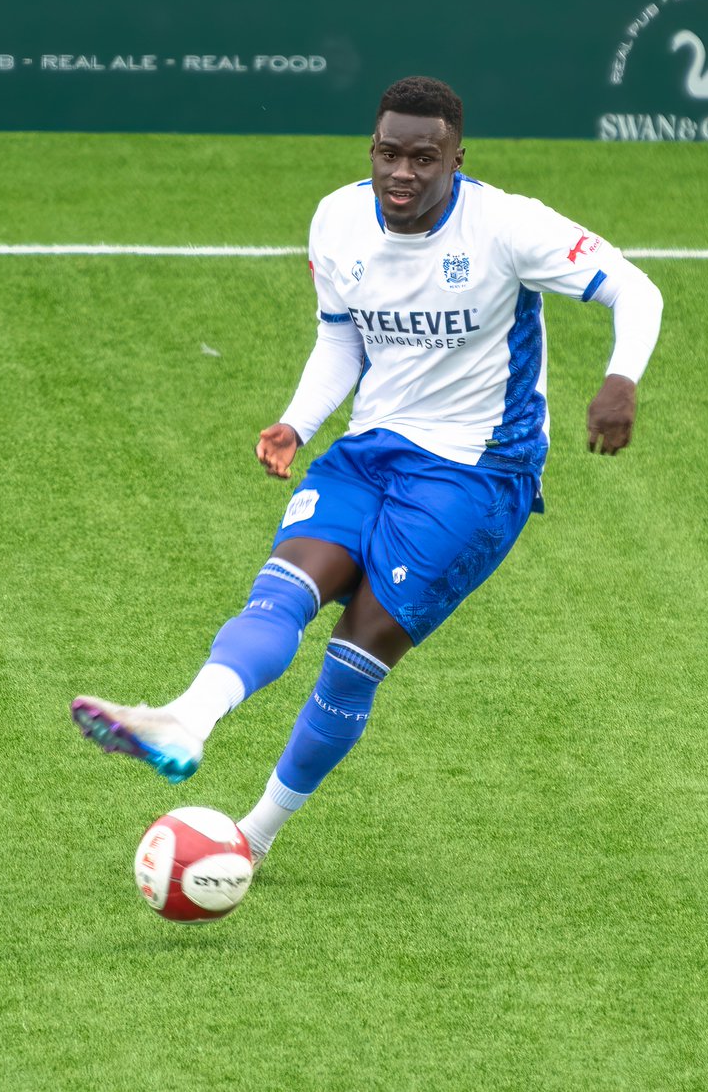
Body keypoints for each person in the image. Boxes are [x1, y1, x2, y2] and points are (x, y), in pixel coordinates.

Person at [72, 75, 663, 869]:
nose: (402, 173)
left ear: (457, 159)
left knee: (353, 659)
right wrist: (297, 421)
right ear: (372, 149)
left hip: (477, 472)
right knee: (281, 591)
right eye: (389, 154)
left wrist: (621, 380)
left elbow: (635, 288)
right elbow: (341, 336)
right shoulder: (337, 219)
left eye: (424, 158)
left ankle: (253, 835)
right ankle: (185, 718)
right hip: (369, 449)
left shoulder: (508, 226)